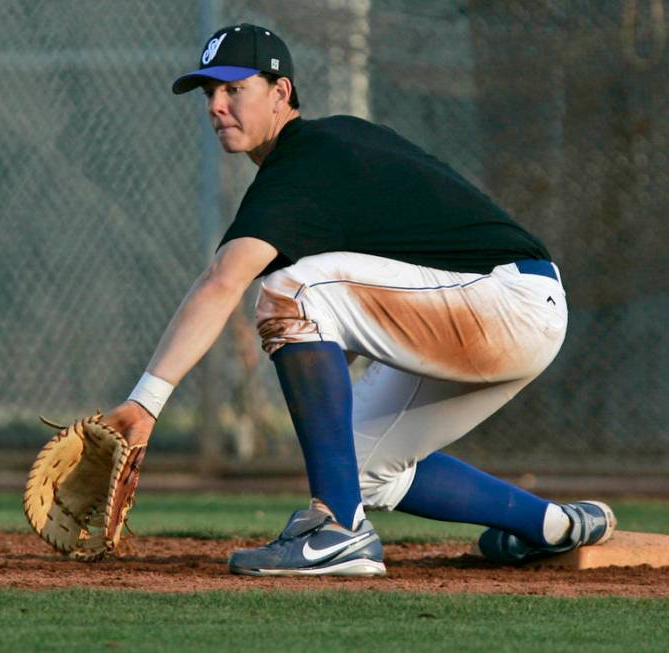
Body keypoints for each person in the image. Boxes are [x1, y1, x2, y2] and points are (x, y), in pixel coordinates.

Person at [101, 23, 615, 576]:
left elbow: (223, 281)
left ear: (281, 93)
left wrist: (146, 402)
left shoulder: (306, 162)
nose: (217, 105)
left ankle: (339, 529)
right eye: (209, 93)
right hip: (497, 307)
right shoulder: (327, 151)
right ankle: (552, 527)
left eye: (234, 88)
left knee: (290, 288)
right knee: (362, 466)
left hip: (504, 299)